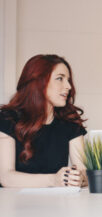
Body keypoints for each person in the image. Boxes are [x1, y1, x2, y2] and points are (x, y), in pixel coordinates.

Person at [0, 54, 87, 187]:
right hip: (13, 204)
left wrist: (79, 178)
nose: (68, 86)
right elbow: (6, 177)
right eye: (60, 79)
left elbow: (84, 173)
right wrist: (53, 180)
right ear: (38, 82)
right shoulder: (7, 118)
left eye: (68, 80)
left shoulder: (70, 121)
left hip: (56, 204)